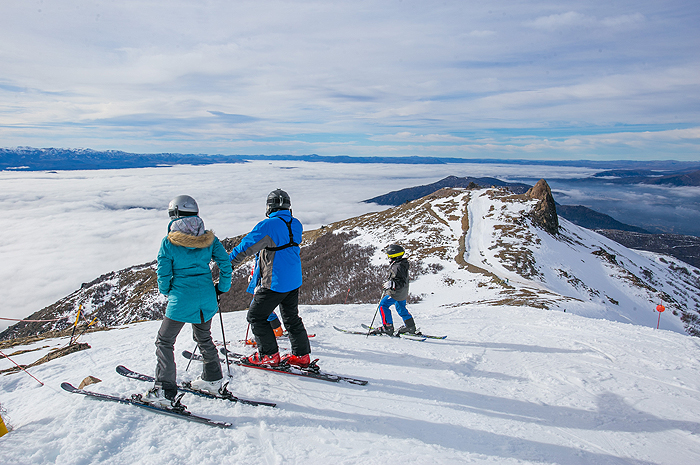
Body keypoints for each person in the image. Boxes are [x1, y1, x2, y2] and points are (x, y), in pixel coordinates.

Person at [141, 195, 232, 407]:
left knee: (164, 341)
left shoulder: (169, 242)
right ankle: (213, 379)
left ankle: (164, 389)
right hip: (207, 298)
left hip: (181, 299)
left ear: (174, 215)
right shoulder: (210, 239)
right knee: (204, 337)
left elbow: (163, 275)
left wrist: (167, 291)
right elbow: (225, 265)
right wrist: (221, 288)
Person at [229, 189, 311, 367]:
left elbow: (246, 247)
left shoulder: (268, 225)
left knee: (256, 316)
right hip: (294, 279)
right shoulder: (295, 223)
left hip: (275, 281)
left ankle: (269, 355)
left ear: (269, 206)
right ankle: (301, 356)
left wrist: (227, 265)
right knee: (291, 318)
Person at [369, 244, 417, 336]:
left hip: (396, 293)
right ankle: (410, 326)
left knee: (383, 305)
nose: (388, 258)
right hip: (403, 292)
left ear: (394, 256)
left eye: (389, 255)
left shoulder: (397, 266)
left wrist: (392, 284)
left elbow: (401, 281)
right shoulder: (401, 264)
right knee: (401, 308)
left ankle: (387, 327)